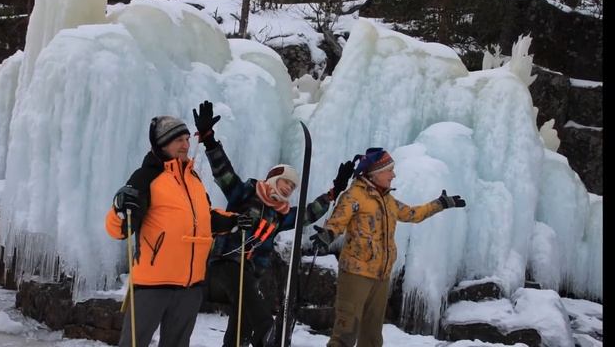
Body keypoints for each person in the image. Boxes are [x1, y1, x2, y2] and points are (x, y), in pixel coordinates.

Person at [192, 100, 355, 347]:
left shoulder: (280, 215)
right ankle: (267, 335)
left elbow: (308, 215)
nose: (288, 188)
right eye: (285, 182)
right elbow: (223, 172)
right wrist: (209, 140)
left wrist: (332, 194)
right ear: (273, 179)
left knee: (241, 323)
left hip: (250, 272)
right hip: (226, 264)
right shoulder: (245, 192)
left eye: (292, 187)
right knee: (259, 314)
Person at [105, 115, 251, 347]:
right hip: (152, 285)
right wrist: (119, 209)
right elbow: (120, 229)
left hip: (190, 287)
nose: (185, 145)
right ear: (162, 144)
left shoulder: (193, 178)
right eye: (178, 140)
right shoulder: (146, 177)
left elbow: (205, 217)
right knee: (134, 343)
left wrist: (233, 222)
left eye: (186, 139)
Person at [309, 147, 466, 347]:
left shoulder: (387, 200)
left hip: (381, 277)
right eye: (389, 170)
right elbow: (337, 222)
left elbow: (411, 214)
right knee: (345, 334)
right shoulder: (354, 196)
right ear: (375, 173)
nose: (393, 175)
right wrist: (327, 235)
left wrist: (440, 204)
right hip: (355, 274)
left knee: (372, 337)